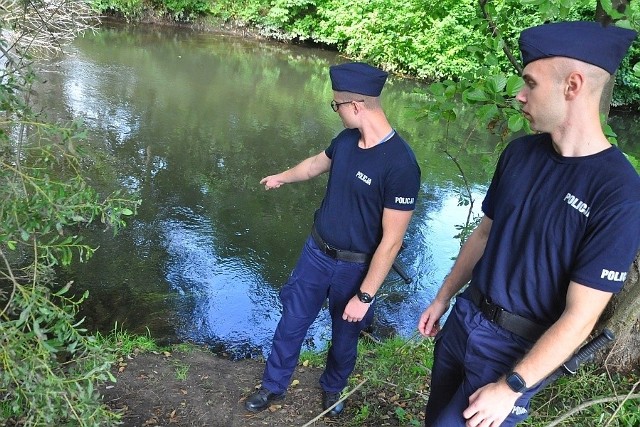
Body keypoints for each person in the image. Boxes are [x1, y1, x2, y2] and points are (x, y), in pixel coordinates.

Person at [418, 21, 640, 427]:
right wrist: (444, 295)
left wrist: (512, 386)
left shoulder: (619, 193)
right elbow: (484, 233)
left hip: (514, 353)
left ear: (572, 85)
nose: (519, 95)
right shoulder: (519, 153)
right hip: (464, 321)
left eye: (530, 83)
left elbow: (581, 317)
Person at [245, 62, 421, 417]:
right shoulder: (345, 141)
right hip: (316, 254)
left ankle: (332, 389)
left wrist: (365, 295)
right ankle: (273, 386)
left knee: (344, 337)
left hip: (355, 269)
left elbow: (391, 242)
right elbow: (314, 164)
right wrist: (282, 176)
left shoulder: (401, 165)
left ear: (355, 106)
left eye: (336, 105)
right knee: (291, 321)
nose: (336, 111)